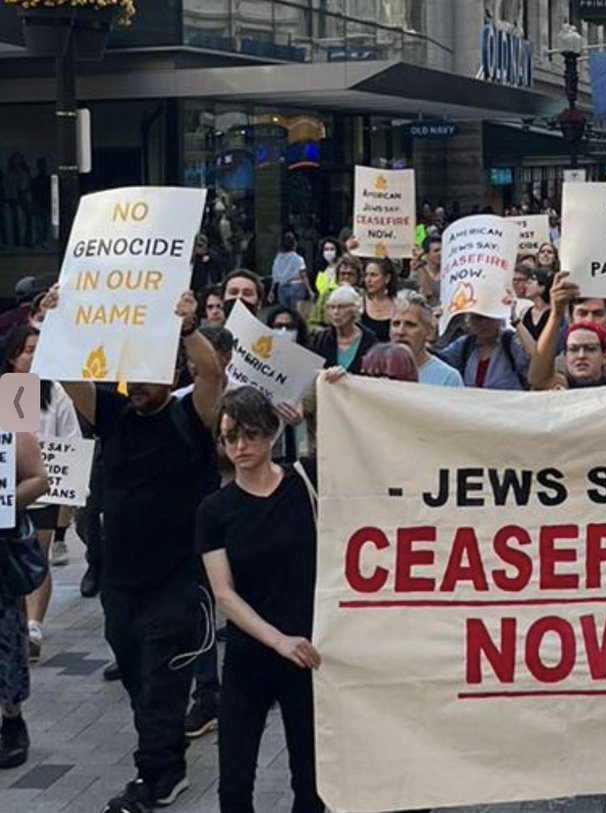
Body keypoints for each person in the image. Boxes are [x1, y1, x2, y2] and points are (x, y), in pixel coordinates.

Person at [45, 286, 224, 812]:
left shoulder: (191, 417)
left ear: (173, 375)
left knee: (163, 683)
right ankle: (165, 758)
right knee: (140, 681)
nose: (140, 386)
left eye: (151, 375)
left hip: (178, 582)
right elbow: (72, 375)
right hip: (123, 584)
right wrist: (61, 321)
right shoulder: (114, 413)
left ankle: (157, 778)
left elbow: (212, 375)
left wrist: (189, 328)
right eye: (133, 375)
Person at [197, 387, 321, 813]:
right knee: (233, 784)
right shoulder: (215, 509)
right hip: (252, 654)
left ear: (271, 434)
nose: (239, 447)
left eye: (249, 434)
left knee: (311, 779)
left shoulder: (304, 484)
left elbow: (353, 451)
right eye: (229, 437)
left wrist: (329, 392)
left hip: (309, 653)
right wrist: (278, 640)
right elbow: (224, 595)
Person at [1, 326, 81, 663]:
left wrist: (73, 493)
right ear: (12, 356)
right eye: (28, 350)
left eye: (38, 349)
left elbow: (72, 437)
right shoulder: (8, 391)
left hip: (45, 491)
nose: (33, 357)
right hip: (9, 493)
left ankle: (33, 625)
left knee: (36, 556)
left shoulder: (56, 391)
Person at [0, 431, 49, 768]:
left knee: (5, 638)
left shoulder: (10, 417)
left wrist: (4, 501)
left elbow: (39, 479)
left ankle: (11, 718)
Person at [437, 313, 529, 390]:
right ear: (469, 321)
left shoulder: (510, 341)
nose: (483, 323)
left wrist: (516, 321)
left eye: (489, 318)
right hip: (473, 408)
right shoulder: (466, 344)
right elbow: (439, 361)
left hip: (507, 409)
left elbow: (533, 364)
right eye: (477, 318)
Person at [390, 292, 463, 387]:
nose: (400, 332)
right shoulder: (377, 371)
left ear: (428, 331)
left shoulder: (448, 379)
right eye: (396, 324)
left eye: (410, 325)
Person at [310, 284, 378, 374]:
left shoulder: (369, 340)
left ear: (355, 309)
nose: (335, 312)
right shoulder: (321, 338)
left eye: (341, 307)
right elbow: (311, 370)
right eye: (332, 307)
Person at [270, 232, 311, 311]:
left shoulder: (277, 258)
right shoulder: (298, 259)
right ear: (294, 244)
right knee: (296, 312)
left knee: (285, 312)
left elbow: (274, 276)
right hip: (296, 285)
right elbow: (303, 275)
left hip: (282, 287)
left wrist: (271, 291)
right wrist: (310, 290)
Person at [360, 258, 397, 343]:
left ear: (387, 278)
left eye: (373, 275)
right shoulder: (358, 303)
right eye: (366, 275)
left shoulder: (398, 305)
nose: (368, 280)